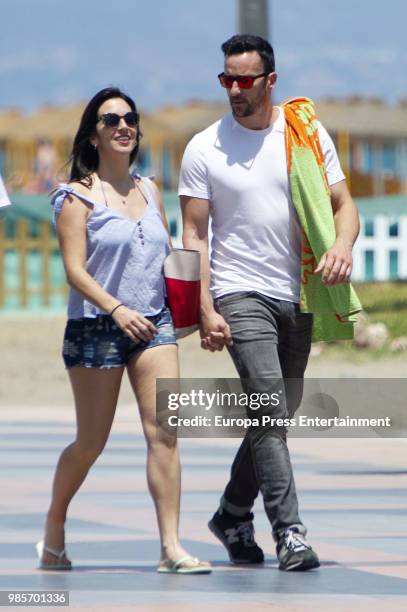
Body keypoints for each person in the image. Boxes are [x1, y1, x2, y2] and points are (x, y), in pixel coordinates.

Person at [179, 35, 360, 571]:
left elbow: (343, 206)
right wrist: (204, 307)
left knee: (276, 413)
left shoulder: (304, 133)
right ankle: (291, 533)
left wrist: (342, 245)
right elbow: (195, 235)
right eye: (226, 79)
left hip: (298, 291)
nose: (234, 89)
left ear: (269, 81)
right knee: (268, 407)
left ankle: (232, 512)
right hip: (239, 294)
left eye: (244, 80)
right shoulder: (203, 147)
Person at [37, 87, 210, 575]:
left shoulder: (151, 189)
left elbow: (169, 255)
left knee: (166, 434)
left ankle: (171, 546)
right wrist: (116, 310)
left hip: (154, 322)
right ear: (93, 133)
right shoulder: (75, 196)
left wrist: (202, 310)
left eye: (130, 117)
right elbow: (75, 271)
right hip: (97, 326)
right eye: (111, 119)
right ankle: (54, 524)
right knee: (91, 442)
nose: (123, 125)